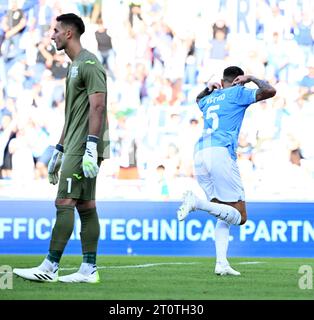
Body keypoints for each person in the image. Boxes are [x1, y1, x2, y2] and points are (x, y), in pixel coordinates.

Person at [13, 13, 109, 283]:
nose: (52, 35)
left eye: (55, 30)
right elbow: (73, 114)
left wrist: (90, 146)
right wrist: (58, 148)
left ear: (69, 33)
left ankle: (50, 266)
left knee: (63, 202)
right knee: (86, 206)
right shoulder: (74, 66)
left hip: (83, 146)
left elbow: (98, 106)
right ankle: (89, 270)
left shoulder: (90, 63)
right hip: (75, 144)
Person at [177, 66, 276, 276]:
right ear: (239, 80)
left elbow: (198, 99)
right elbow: (270, 91)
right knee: (240, 216)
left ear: (221, 82)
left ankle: (221, 263)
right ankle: (197, 203)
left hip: (200, 153)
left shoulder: (210, 98)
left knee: (223, 212)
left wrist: (207, 89)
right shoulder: (237, 92)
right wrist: (252, 77)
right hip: (220, 153)